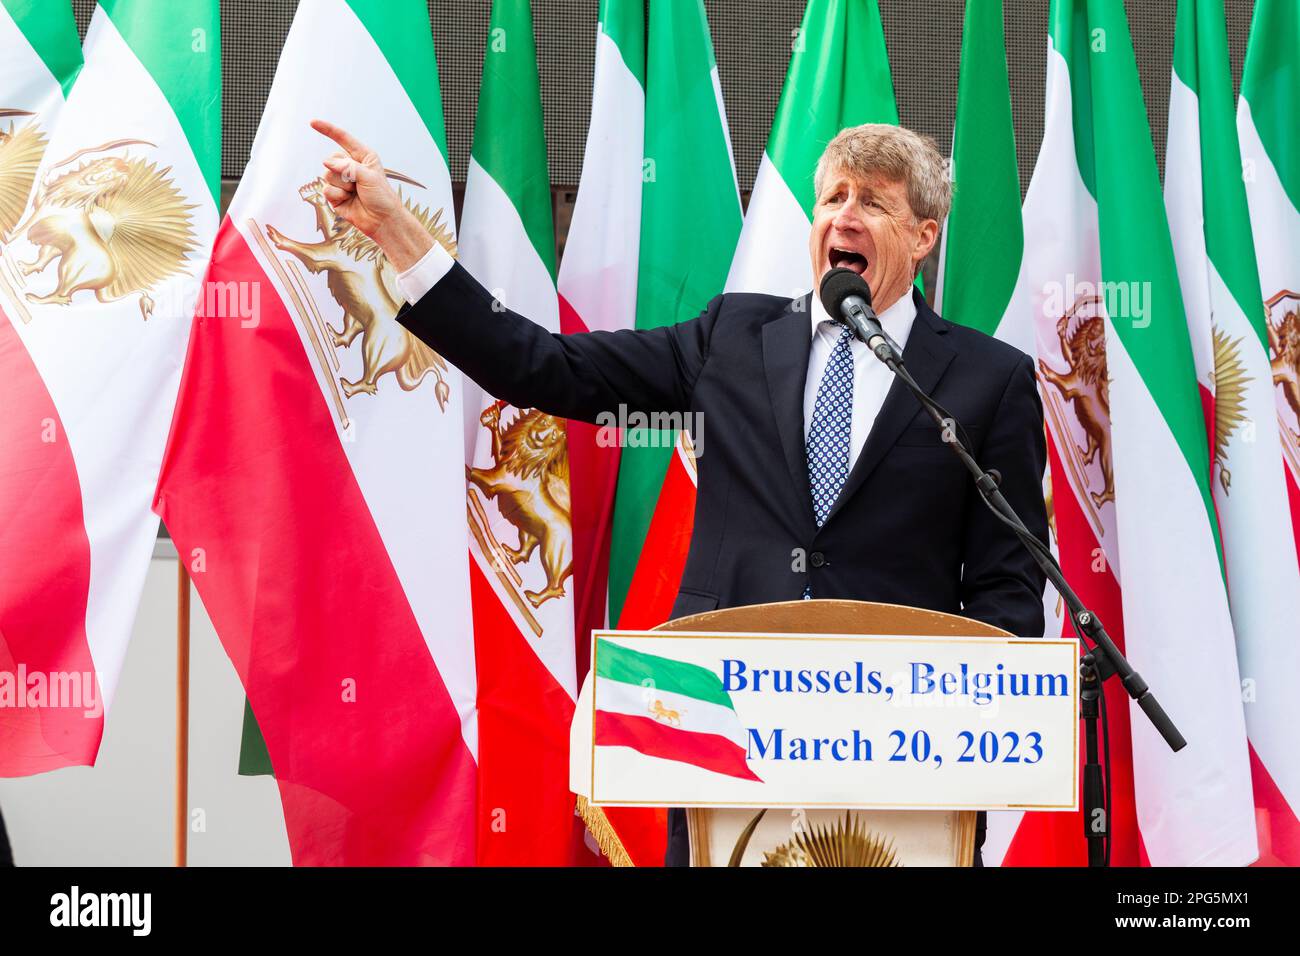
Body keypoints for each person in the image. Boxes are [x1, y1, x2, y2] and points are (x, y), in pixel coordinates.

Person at [311, 119, 1049, 865]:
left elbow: (1007, 586)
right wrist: (397, 230)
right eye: (833, 198)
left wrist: (967, 732)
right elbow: (542, 365)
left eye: (875, 204)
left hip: (901, 757)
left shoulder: (989, 379)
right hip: (724, 736)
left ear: (923, 237)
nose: (844, 217)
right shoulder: (734, 336)